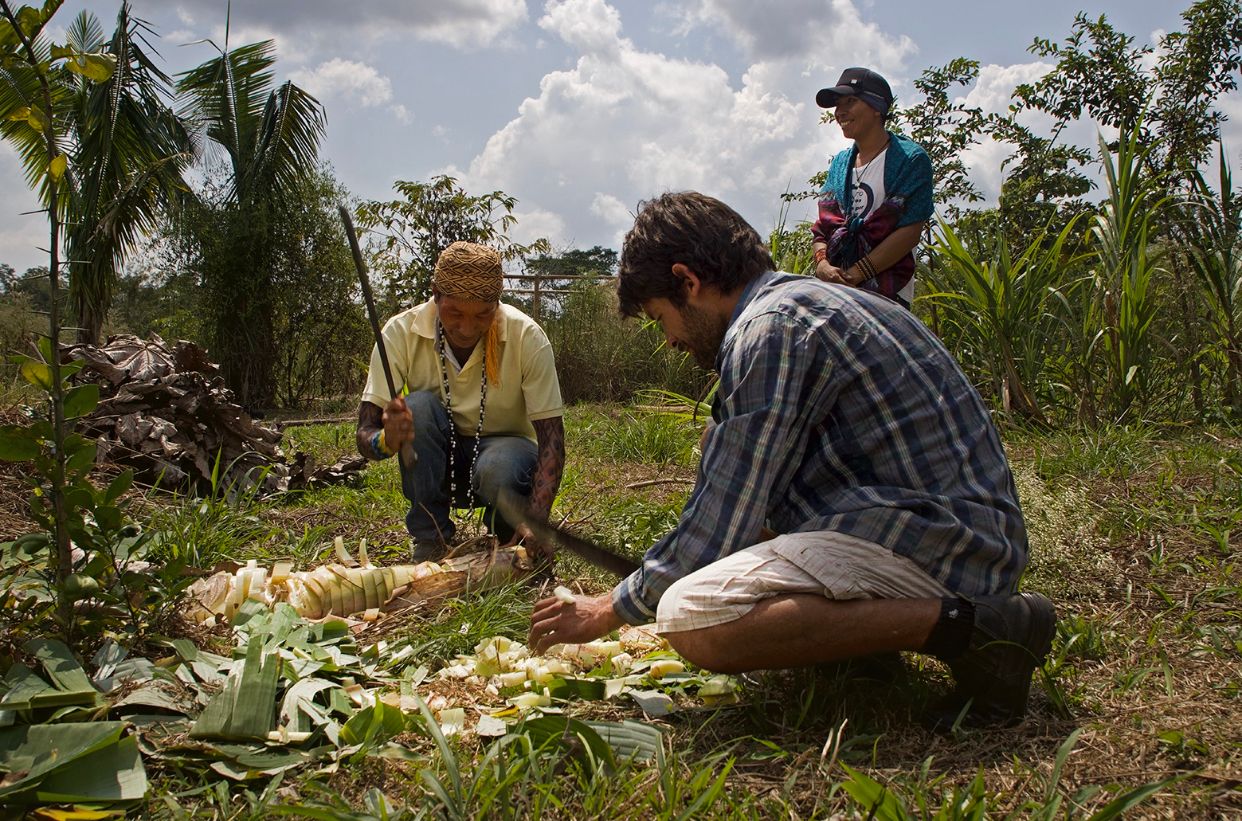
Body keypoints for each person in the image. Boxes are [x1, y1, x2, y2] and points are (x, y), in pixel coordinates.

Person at [529, 192, 1056, 729]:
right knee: (717, 450)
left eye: (661, 317)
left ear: (688, 282)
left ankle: (981, 628)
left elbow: (723, 518)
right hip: (940, 529)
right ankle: (868, 646)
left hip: (944, 544)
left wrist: (610, 608)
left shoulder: (770, 329)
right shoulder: (808, 302)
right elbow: (742, 491)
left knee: (690, 616)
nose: (669, 340)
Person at [355, 241, 565, 561]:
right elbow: (364, 434)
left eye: (482, 315)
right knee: (418, 407)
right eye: (455, 313)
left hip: (505, 461)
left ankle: (509, 531)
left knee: (498, 466)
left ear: (497, 304)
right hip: (439, 462)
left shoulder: (527, 337)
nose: (467, 329)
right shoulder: (400, 333)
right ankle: (431, 539)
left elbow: (552, 440)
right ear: (435, 294)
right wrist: (386, 440)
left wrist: (537, 520)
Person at [811, 67, 933, 309]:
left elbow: (910, 231)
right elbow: (823, 228)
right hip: (838, 295)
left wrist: (857, 273)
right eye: (838, 104)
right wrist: (822, 264)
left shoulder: (909, 160)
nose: (840, 112)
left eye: (850, 101)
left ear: (877, 107)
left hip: (886, 296)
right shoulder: (840, 164)